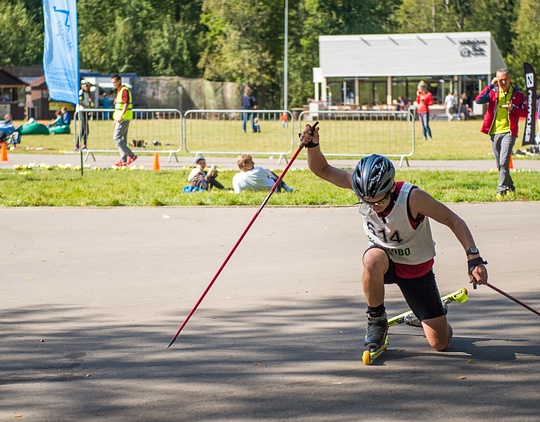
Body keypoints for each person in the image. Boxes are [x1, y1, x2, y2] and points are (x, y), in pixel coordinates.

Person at [298, 123, 488, 354]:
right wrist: (313, 146)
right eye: (367, 202)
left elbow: (454, 220)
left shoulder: (413, 198)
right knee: (372, 259)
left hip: (416, 271)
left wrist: (473, 258)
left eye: (379, 201)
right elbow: (323, 170)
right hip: (385, 261)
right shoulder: (363, 189)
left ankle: (431, 314)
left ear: (390, 189)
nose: (374, 207)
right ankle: (376, 321)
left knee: (441, 344)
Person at [475, 68, 528, 199]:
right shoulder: (493, 92)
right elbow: (478, 100)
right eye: (500, 80)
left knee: (504, 161)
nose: (503, 82)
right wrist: (490, 85)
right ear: (497, 80)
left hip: (509, 132)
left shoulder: (518, 94)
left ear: (510, 79)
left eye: (505, 79)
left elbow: (525, 113)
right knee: (499, 163)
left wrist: (513, 109)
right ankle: (510, 186)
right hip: (494, 131)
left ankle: (501, 189)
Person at [111, 73, 137, 166]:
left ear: (119, 81)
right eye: (112, 82)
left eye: (114, 82)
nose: (113, 84)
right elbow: (119, 106)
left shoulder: (124, 90)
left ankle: (131, 155)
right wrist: (115, 119)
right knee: (122, 139)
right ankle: (123, 161)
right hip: (120, 118)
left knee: (116, 138)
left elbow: (125, 104)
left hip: (123, 118)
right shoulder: (119, 91)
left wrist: (120, 116)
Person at [76, 80, 93, 150]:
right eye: (85, 85)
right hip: (81, 111)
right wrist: (87, 107)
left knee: (83, 130)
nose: (87, 87)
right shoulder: (81, 92)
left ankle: (78, 145)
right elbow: (80, 102)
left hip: (85, 111)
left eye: (88, 86)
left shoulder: (87, 93)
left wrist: (89, 107)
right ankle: (83, 145)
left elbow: (88, 102)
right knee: (86, 130)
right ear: (82, 86)